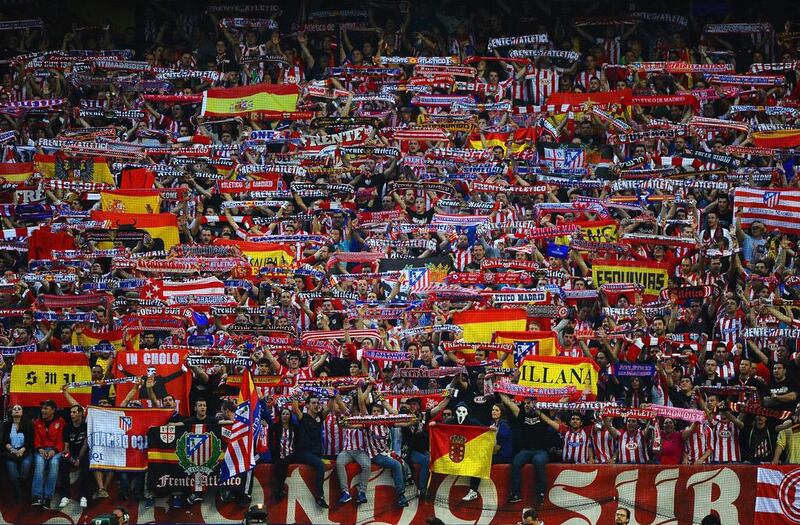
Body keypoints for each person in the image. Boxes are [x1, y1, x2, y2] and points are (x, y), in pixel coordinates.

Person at [500, 394, 554, 506]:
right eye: (525, 403)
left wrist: (571, 392)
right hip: (526, 450)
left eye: (528, 403)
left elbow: (560, 405)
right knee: (515, 462)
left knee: (538, 462)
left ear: (535, 403)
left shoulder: (544, 414)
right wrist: (498, 389)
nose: (526, 405)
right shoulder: (521, 413)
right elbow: (509, 403)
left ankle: (541, 494)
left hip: (541, 450)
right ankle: (516, 494)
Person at [291, 393, 330, 508]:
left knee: (321, 464)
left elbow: (329, 408)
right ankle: (319, 497)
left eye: (318, 403)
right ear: (307, 405)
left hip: (316, 453)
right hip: (303, 452)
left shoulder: (319, 417)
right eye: (313, 403)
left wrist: (332, 396)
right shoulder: (303, 417)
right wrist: (295, 396)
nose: (316, 405)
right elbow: (295, 409)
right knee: (320, 466)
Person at [31, 400, 66, 508]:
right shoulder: (37, 422)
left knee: (54, 463)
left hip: (56, 450)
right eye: (42, 408)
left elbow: (61, 440)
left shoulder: (61, 421)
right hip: (41, 450)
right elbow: (36, 439)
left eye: (46, 408)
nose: (42, 410)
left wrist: (54, 451)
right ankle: (36, 496)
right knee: (40, 464)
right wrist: (40, 449)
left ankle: (47, 498)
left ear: (53, 410)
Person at [58, 404, 89, 509]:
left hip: (83, 453)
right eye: (71, 412)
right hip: (71, 453)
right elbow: (66, 447)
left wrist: (79, 459)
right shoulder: (67, 427)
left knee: (87, 465)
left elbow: (85, 445)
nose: (71, 414)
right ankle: (65, 496)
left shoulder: (86, 426)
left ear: (80, 413)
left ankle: (84, 496)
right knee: (63, 463)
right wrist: (69, 457)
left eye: (74, 412)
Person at [2, 404, 34, 503]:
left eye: (19, 409)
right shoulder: (6, 425)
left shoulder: (28, 424)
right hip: (10, 452)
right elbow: (4, 442)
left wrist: (22, 450)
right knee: (14, 475)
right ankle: (17, 495)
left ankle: (25, 491)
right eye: (14, 409)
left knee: (25, 472)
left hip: (25, 451)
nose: (16, 410)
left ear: (22, 412)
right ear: (11, 413)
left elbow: (30, 441)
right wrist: (13, 450)